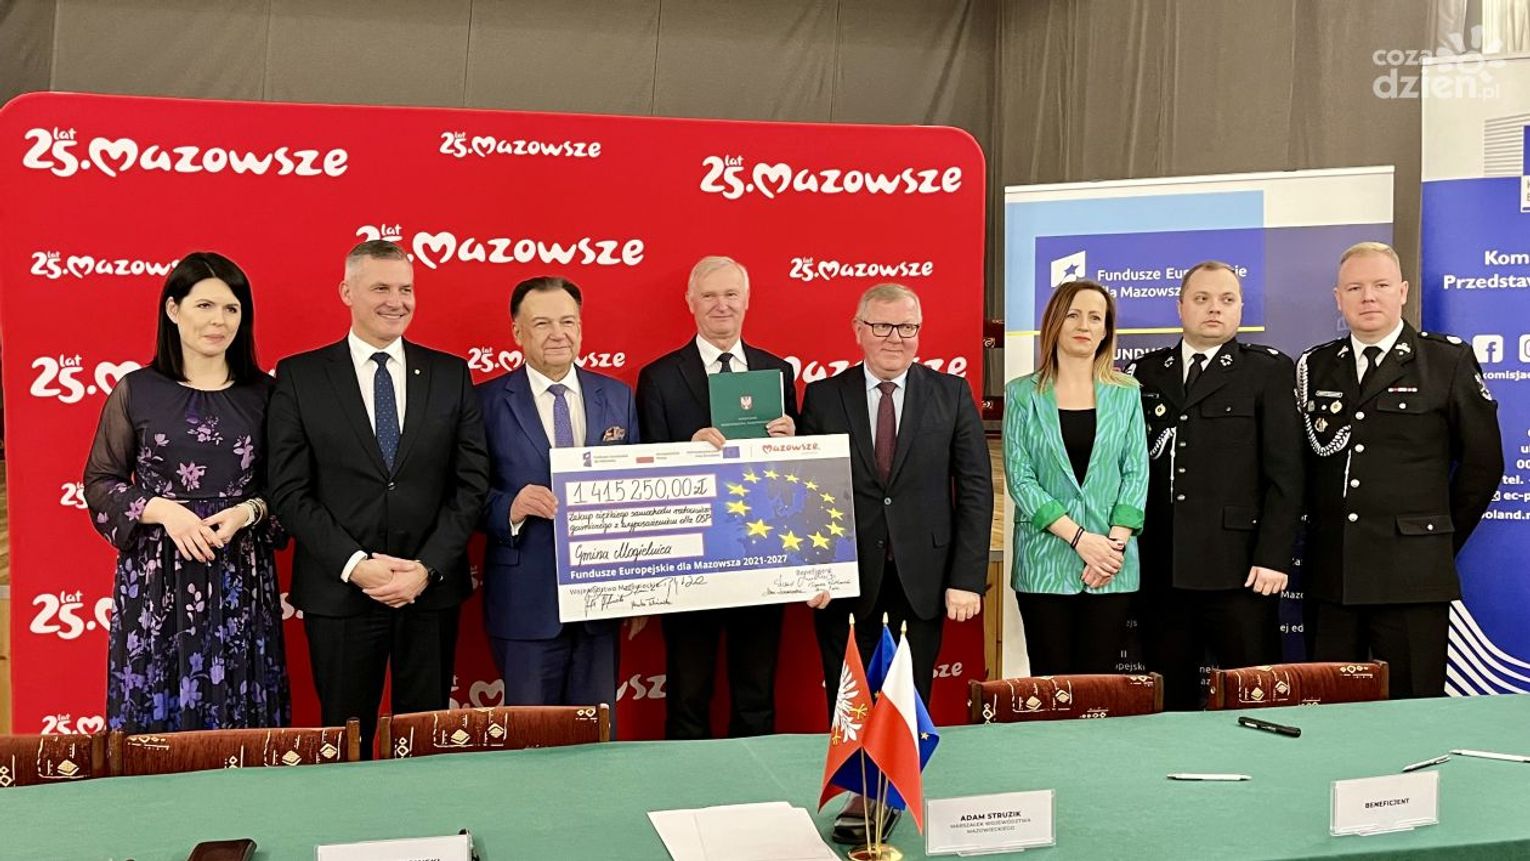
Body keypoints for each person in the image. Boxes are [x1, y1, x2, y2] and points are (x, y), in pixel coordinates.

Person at [266, 239, 489, 755]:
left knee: (427, 743)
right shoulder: (300, 376)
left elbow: (471, 483)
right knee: (346, 745)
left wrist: (426, 568)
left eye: (406, 289)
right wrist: (355, 566)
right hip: (339, 592)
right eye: (381, 288)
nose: (397, 301)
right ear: (347, 292)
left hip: (428, 592)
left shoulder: (450, 374)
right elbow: (289, 490)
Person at [801, 282, 991, 844]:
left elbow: (975, 489)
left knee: (906, 695)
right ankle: (858, 793)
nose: (895, 338)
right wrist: (811, 570)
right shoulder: (823, 397)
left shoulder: (951, 393)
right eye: (882, 326)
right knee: (852, 697)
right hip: (845, 581)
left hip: (924, 579)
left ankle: (886, 796)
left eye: (907, 327)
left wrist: (966, 579)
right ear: (858, 330)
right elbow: (806, 491)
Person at [85, 252, 289, 732]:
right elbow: (100, 481)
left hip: (241, 573)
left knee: (243, 714)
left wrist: (248, 512)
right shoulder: (136, 390)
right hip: (157, 581)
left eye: (232, 308)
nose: (219, 320)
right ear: (173, 310)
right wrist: (160, 509)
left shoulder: (267, 394)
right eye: (204, 306)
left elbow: (289, 488)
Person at [1299, 241, 1501, 698]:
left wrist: (1434, 537)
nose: (1368, 297)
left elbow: (1484, 464)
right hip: (1334, 575)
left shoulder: (1446, 361)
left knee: (1414, 712)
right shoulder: (1316, 365)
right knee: (1329, 711)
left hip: (1413, 575)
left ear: (1403, 292)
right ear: (1338, 298)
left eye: (1381, 285)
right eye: (1355, 288)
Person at [1126, 262, 1303, 710]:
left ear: (1240, 308)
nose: (1214, 309)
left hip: (1241, 572)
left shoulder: (1267, 370)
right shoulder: (1146, 373)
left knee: (1255, 696)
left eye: (1226, 300)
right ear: (1180, 306)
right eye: (1202, 298)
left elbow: (1286, 474)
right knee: (1168, 705)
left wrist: (1272, 556)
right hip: (1163, 569)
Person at [635, 256, 798, 740]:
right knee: (688, 694)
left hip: (761, 554)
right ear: (690, 302)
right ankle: (688, 784)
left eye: (731, 295)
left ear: (747, 301)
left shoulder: (777, 372)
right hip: (690, 559)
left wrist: (794, 442)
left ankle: (759, 784)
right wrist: (684, 451)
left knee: (756, 694)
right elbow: (644, 469)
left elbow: (795, 477)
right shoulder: (659, 377)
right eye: (709, 295)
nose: (721, 305)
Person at [478, 276, 639, 728]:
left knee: (596, 739)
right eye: (542, 323)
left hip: (601, 604)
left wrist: (640, 589)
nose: (558, 334)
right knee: (531, 740)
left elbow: (640, 497)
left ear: (581, 328)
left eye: (568, 322)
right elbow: (464, 495)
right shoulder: (484, 402)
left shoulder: (618, 397)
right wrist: (511, 506)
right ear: (517, 332)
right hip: (525, 603)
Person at [1004, 279, 1148, 676]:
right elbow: (1021, 478)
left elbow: (1136, 472)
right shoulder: (1021, 394)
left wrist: (1111, 549)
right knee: (1050, 686)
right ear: (1055, 322)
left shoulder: (1127, 393)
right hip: (1044, 564)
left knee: (1098, 688)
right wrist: (1081, 540)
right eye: (1073, 315)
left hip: (1111, 567)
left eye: (1095, 318)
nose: (1084, 325)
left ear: (1106, 331)